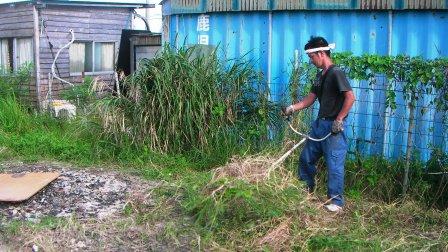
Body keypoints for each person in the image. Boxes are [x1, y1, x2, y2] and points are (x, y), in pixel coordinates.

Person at [282, 36, 355, 212]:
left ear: (321, 53)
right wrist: (292, 108)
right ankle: (306, 192)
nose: (311, 61)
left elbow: (350, 97)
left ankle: (336, 203)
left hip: (333, 129)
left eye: (312, 57)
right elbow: (311, 98)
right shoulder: (320, 75)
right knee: (306, 159)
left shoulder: (336, 73)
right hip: (319, 125)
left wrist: (339, 119)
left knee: (334, 165)